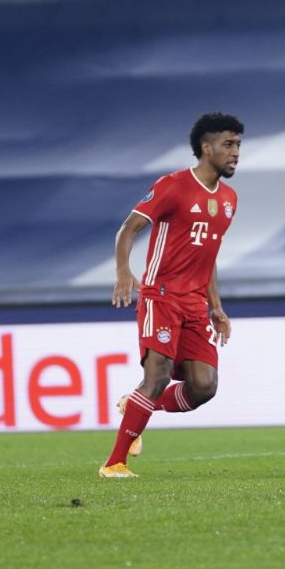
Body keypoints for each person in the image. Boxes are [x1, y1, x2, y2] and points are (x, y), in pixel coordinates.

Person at [101, 113, 243, 478]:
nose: (235, 152)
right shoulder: (173, 186)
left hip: (196, 304)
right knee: (158, 376)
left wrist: (216, 306)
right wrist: (122, 272)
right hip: (161, 296)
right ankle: (114, 463)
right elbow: (127, 229)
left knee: (203, 386)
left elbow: (208, 256)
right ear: (205, 147)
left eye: (238, 145)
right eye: (228, 144)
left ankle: (132, 405)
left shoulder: (229, 199)